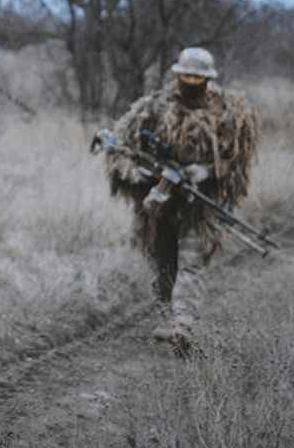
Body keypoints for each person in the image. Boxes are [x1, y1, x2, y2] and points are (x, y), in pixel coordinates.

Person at [105, 47, 260, 351]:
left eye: (197, 77)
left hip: (201, 202)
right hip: (159, 203)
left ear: (208, 78)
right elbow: (121, 151)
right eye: (186, 76)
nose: (191, 81)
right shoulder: (153, 108)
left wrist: (206, 171)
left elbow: (236, 160)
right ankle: (167, 317)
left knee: (191, 262)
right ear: (177, 75)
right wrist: (135, 173)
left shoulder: (229, 111)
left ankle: (184, 324)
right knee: (162, 262)